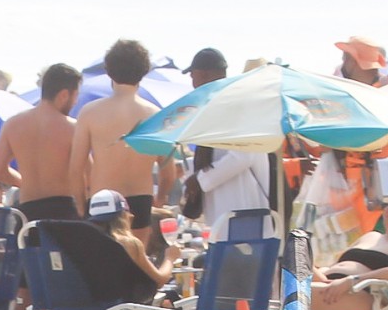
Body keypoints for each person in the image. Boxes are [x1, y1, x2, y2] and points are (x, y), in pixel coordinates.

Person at [71, 41, 175, 238]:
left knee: (103, 258)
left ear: (109, 71)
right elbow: (168, 173)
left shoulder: (90, 112)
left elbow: (76, 168)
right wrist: (160, 198)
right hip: (140, 199)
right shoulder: (156, 116)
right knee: (136, 256)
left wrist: (81, 206)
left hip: (102, 200)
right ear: (143, 72)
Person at [181, 50, 272, 242]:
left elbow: (243, 155)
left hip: (243, 210)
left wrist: (200, 179)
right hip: (225, 212)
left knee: (242, 256)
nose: (192, 84)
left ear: (203, 75)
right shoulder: (218, 106)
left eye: (192, 76)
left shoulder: (238, 105)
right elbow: (217, 154)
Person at [0, 64, 82, 222]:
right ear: (64, 95)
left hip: (28, 212)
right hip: (64, 211)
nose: (75, 102)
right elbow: (86, 173)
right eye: (75, 96)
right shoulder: (72, 128)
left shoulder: (12, 124)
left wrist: (25, 182)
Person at [87, 189, 177, 289]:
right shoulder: (129, 244)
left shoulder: (85, 244)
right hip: (121, 299)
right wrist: (170, 258)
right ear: (125, 217)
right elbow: (158, 281)